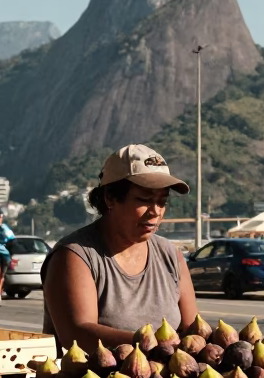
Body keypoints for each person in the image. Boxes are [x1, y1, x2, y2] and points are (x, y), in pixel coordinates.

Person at [41, 144, 197, 350]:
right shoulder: (74, 256)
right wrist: (150, 345)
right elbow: (76, 334)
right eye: (144, 200)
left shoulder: (171, 256)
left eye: (162, 202)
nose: (155, 212)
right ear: (110, 198)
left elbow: (193, 330)